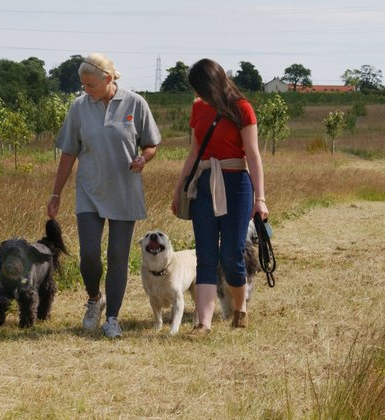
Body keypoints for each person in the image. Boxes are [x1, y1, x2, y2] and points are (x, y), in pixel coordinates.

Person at [47, 53, 161, 338]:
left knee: (118, 257)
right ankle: (94, 299)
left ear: (109, 79)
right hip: (89, 191)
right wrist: (55, 193)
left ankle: (112, 318)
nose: (86, 90)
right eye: (83, 85)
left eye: (91, 85)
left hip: (124, 191)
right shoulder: (79, 108)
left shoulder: (136, 103)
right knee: (89, 254)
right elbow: (69, 153)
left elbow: (151, 145)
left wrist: (144, 159)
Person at [172, 58, 268, 337]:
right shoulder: (198, 108)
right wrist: (179, 188)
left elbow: (253, 155)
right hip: (203, 184)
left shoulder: (242, 109)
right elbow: (194, 151)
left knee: (231, 254)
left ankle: (240, 308)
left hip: (237, 185)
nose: (198, 94)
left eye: (200, 88)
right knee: (205, 255)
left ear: (212, 84)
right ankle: (203, 323)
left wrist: (260, 198)